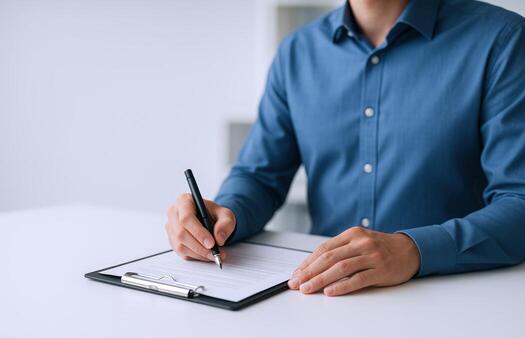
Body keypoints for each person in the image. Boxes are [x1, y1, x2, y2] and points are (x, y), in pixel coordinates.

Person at [165, 0, 525, 296]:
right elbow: (259, 176)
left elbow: (519, 201)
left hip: (457, 297)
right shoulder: (297, 52)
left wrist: (413, 249)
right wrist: (222, 217)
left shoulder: (502, 40)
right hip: (319, 297)